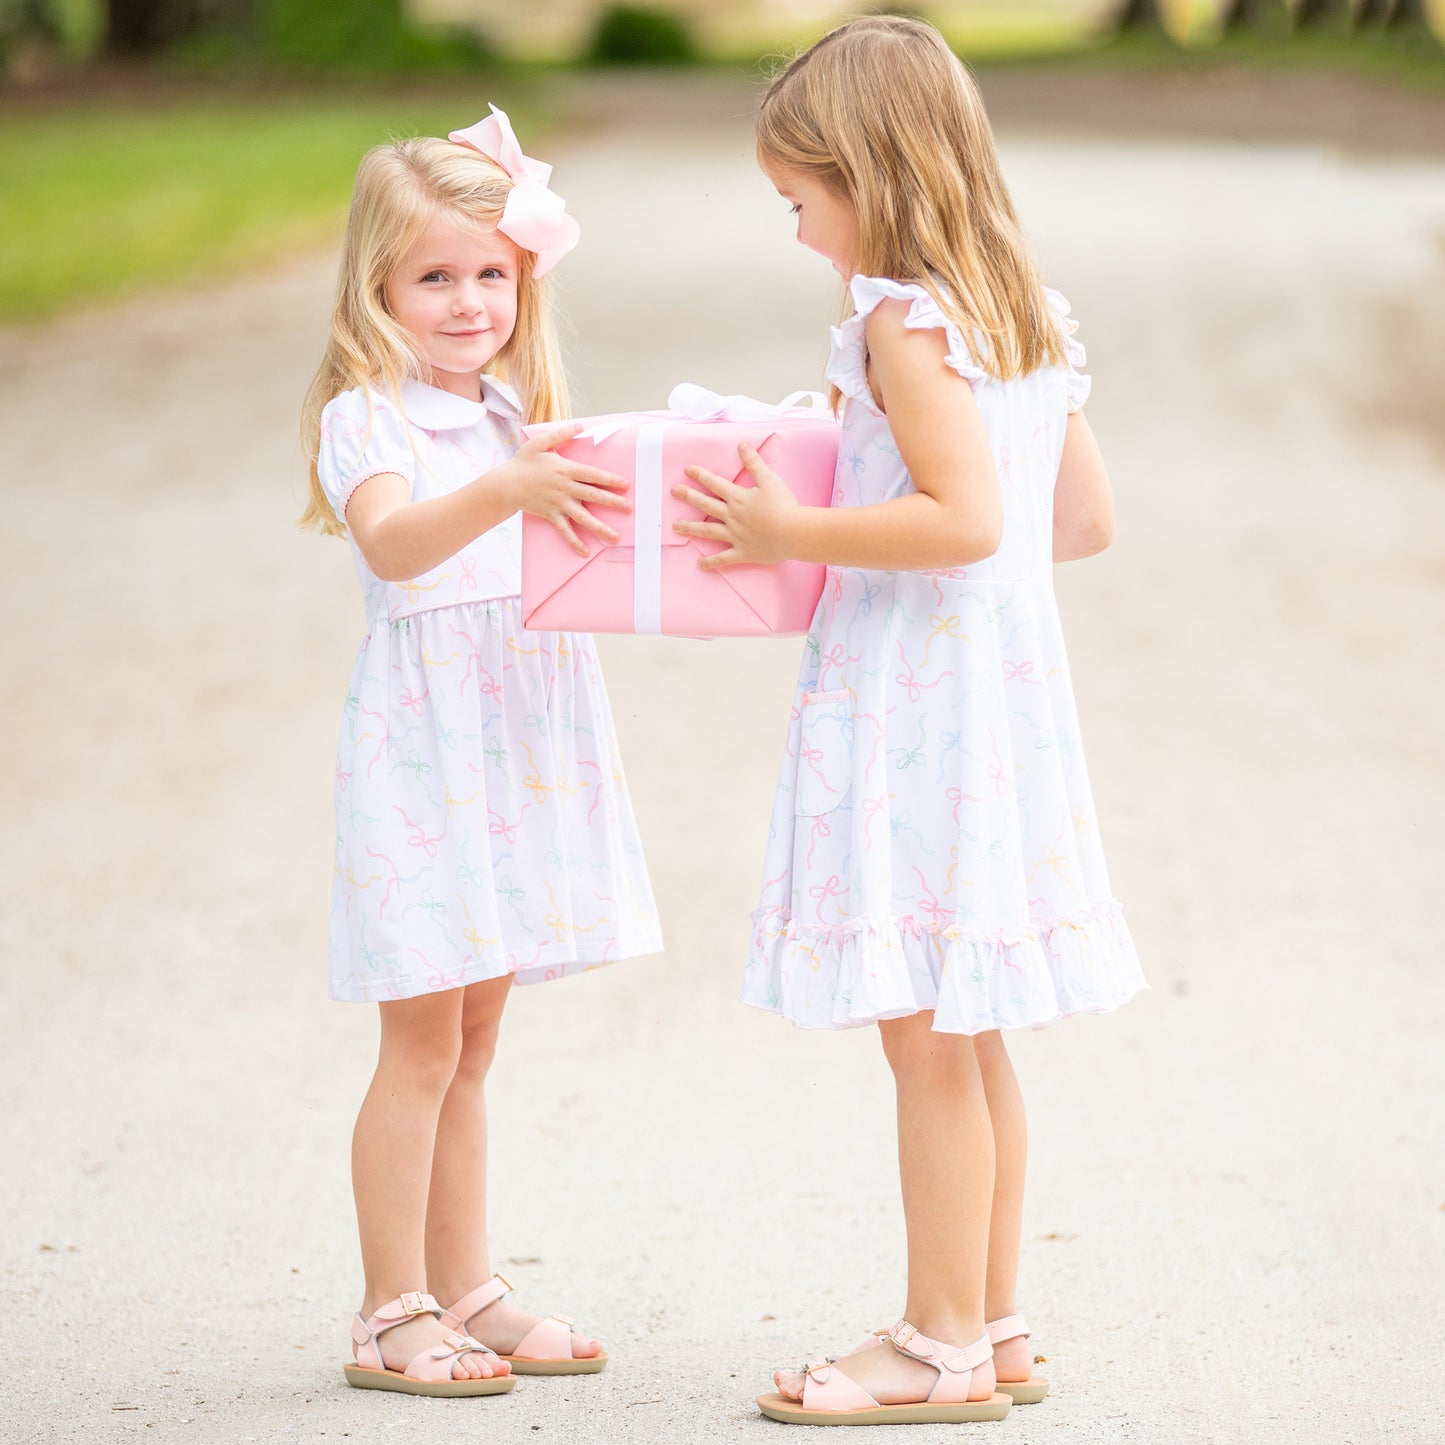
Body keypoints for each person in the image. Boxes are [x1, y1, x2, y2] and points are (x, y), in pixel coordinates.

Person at [672, 18, 1146, 1426]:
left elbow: (962, 519)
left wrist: (789, 524)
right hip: (998, 700)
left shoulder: (901, 317)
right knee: (969, 1023)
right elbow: (1080, 521)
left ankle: (935, 1340)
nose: (797, 227)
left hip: (914, 704)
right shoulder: (1019, 311)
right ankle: (992, 1322)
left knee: (924, 1039)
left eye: (799, 197)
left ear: (866, 172)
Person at [298, 106, 662, 1398]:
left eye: (489, 274)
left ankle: (467, 1283)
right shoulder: (368, 417)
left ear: (525, 280)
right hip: (428, 753)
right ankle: (388, 1306)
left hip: (516, 740)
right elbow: (396, 547)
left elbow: (563, 556)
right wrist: (510, 489)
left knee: (476, 1041)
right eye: (433, 277)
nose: (465, 302)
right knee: (418, 1042)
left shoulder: (518, 411)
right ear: (379, 286)